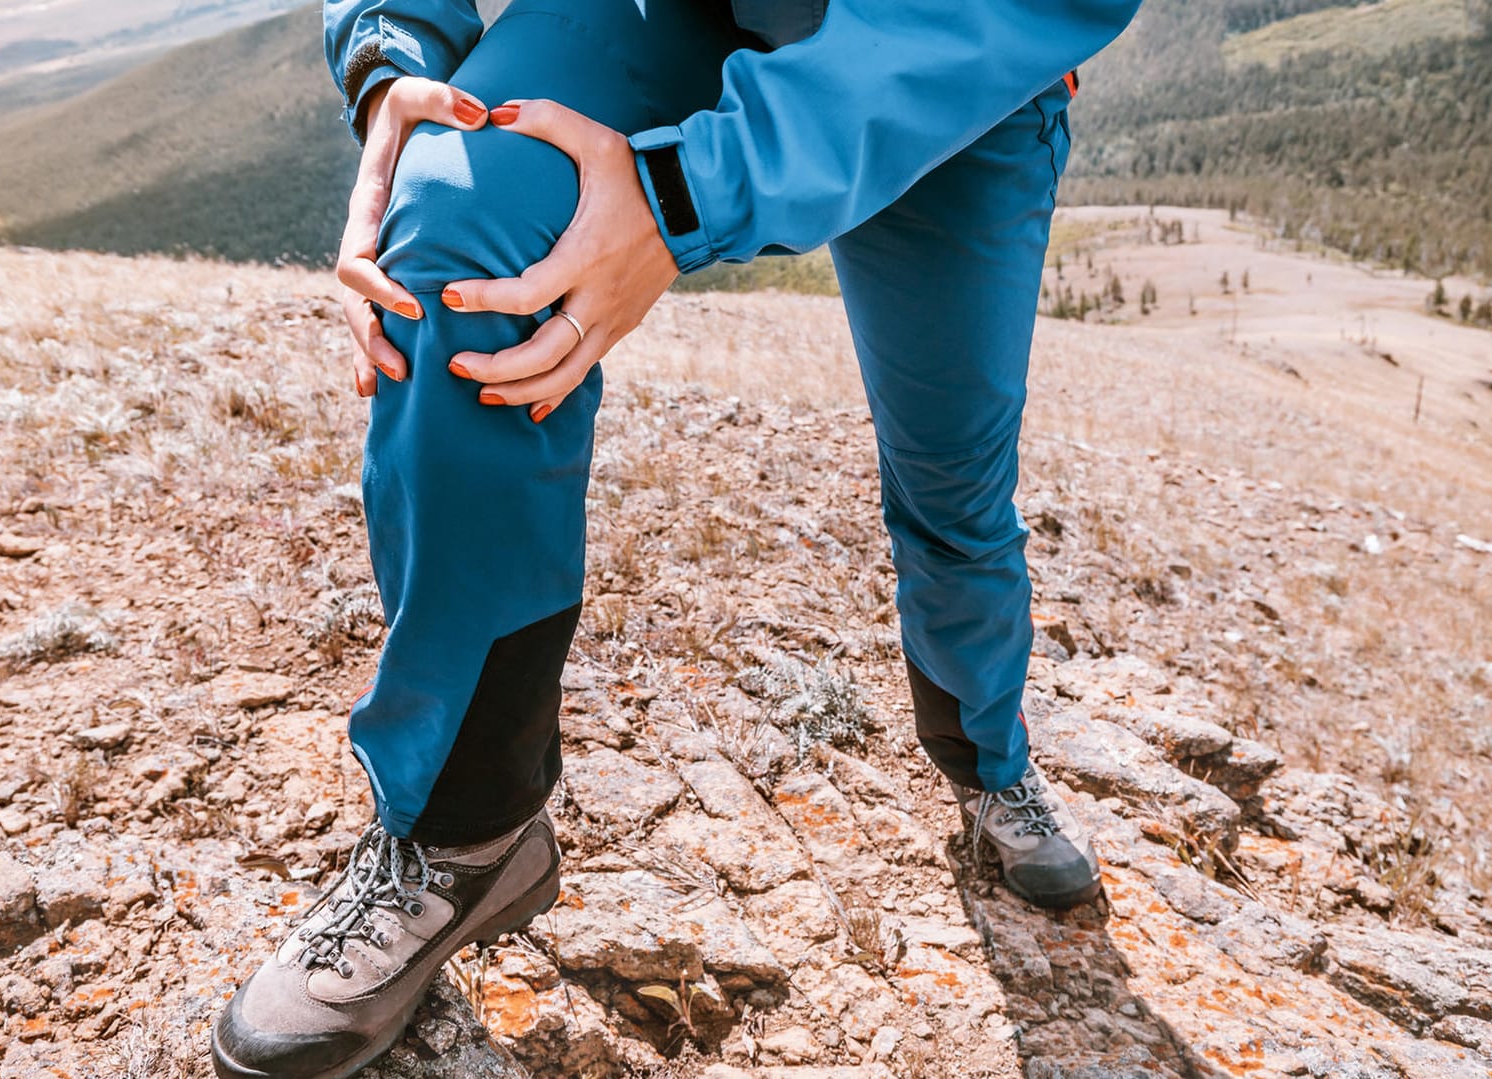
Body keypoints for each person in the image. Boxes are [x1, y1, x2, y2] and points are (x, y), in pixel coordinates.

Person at [213, 0, 1142, 1075]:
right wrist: (391, 58)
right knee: (457, 224)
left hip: (950, 69)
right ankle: (465, 831)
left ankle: (988, 761)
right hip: (676, 12)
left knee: (953, 480)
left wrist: (682, 192)